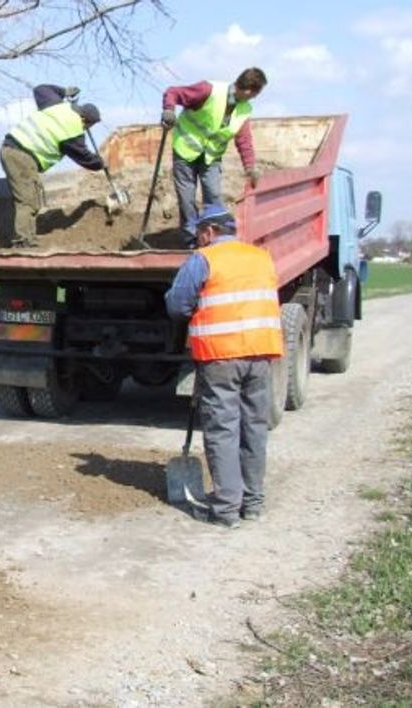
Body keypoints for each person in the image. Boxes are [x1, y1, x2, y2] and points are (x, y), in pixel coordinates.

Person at [164, 205, 283, 528]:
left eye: (199, 235)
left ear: (209, 231)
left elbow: (177, 305)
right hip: (261, 354)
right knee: (254, 427)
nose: (197, 241)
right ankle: (252, 502)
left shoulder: (204, 260)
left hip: (221, 356)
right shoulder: (261, 257)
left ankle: (226, 509)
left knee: (223, 430)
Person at [161, 67, 268, 247]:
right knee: (186, 199)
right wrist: (169, 110)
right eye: (255, 93)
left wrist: (250, 167)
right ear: (249, 90)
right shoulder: (208, 90)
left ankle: (218, 239)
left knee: (213, 196)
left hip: (211, 157)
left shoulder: (243, 109)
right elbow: (173, 92)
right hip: (185, 150)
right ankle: (191, 241)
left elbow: (244, 140)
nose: (254, 97)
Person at [0, 84, 106, 248]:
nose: (86, 129)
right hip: (23, 156)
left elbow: (40, 89)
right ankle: (23, 243)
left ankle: (25, 240)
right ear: (85, 120)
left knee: (30, 199)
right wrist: (101, 163)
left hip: (12, 149)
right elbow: (84, 157)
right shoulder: (73, 131)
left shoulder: (57, 105)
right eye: (89, 126)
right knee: (28, 201)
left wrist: (63, 91)